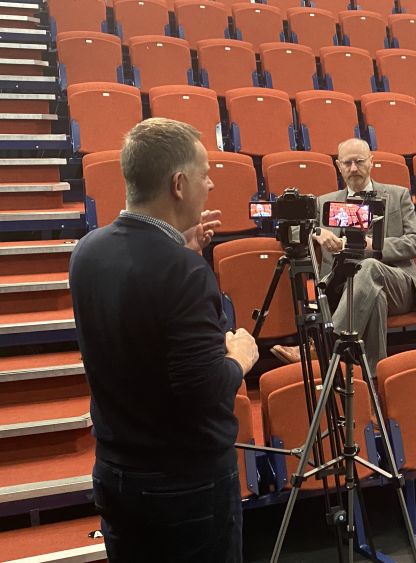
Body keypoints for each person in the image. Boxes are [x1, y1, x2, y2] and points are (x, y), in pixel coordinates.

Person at [69, 118, 259, 562]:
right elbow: (202, 389)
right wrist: (238, 359)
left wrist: (182, 251)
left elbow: (140, 319)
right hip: (183, 488)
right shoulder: (183, 273)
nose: (210, 184)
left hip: (117, 474)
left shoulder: (87, 251)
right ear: (178, 183)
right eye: (205, 173)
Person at [271, 138, 416, 375]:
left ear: (371, 162)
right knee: (375, 298)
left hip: (398, 282)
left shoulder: (398, 195)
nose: (354, 168)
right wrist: (317, 233)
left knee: (370, 267)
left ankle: (322, 345)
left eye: (359, 161)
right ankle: (374, 381)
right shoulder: (325, 202)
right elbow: (292, 235)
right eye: (348, 163)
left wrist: (371, 246)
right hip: (344, 290)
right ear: (338, 166)